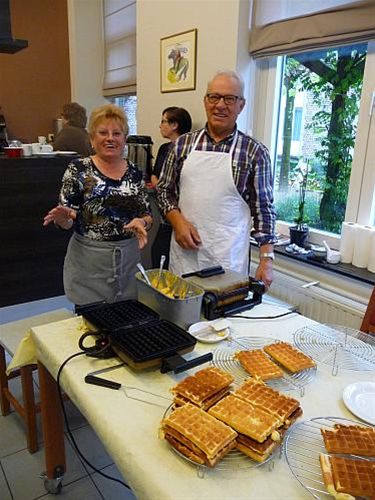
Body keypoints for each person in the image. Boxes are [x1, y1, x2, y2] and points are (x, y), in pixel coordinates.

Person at [156, 70, 276, 289]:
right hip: (184, 257)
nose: (221, 105)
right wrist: (177, 221)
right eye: (214, 97)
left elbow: (263, 209)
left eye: (230, 99)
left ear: (241, 105)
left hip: (228, 258)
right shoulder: (182, 145)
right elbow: (164, 191)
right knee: (183, 317)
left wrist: (267, 260)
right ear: (205, 102)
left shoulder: (254, 152)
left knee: (223, 320)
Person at [44, 103, 152, 305]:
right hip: (89, 264)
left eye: (117, 133)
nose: (110, 138)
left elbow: (146, 214)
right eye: (103, 132)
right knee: (91, 326)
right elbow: (68, 221)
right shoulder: (78, 169)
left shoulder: (135, 172)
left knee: (127, 318)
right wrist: (63, 219)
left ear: (124, 139)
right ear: (92, 138)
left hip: (128, 259)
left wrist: (142, 222)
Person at [151, 106, 192, 269]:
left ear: (174, 125)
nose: (160, 126)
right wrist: (162, 186)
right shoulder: (163, 148)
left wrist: (161, 185)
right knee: (158, 255)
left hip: (181, 214)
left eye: (163, 121)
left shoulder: (189, 150)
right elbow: (154, 175)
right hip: (164, 213)